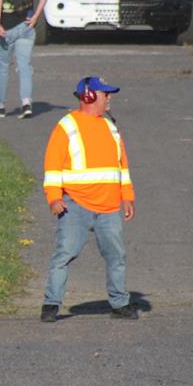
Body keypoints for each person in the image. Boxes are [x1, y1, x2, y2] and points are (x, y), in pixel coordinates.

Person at [41, 76, 137, 323]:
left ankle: (120, 304)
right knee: (65, 254)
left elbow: (121, 166)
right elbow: (52, 168)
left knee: (116, 256)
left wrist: (127, 197)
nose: (109, 98)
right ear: (90, 96)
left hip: (110, 207)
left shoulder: (111, 127)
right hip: (75, 205)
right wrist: (54, 199)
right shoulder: (67, 126)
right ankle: (51, 304)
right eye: (106, 94)